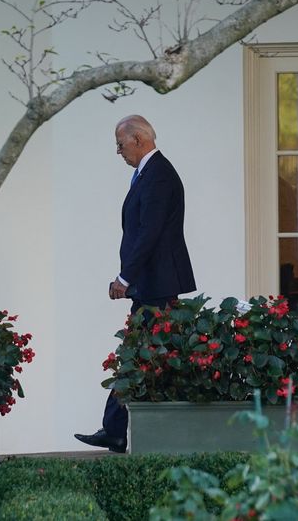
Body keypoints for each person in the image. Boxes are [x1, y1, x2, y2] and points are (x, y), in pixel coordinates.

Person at [74, 115, 196, 453]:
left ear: (139, 139)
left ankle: (116, 429)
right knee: (141, 355)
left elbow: (149, 232)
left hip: (155, 284)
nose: (118, 151)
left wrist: (125, 277)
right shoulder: (149, 173)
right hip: (153, 284)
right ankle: (115, 429)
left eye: (120, 143)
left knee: (138, 356)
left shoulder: (158, 175)